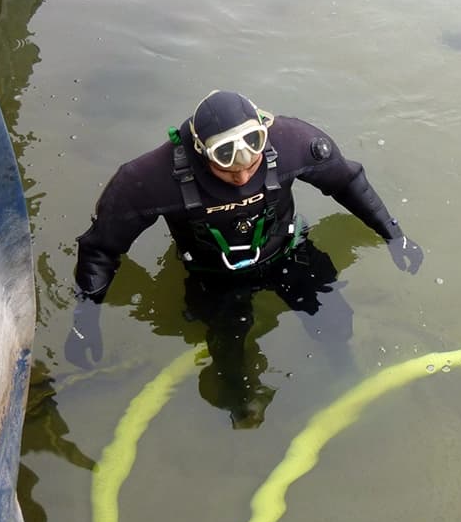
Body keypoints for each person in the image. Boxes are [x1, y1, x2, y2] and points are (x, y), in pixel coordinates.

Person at [65, 90, 423, 421]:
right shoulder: (148, 179)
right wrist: (86, 318)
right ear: (201, 153)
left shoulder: (294, 143)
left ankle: (344, 371)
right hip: (212, 275)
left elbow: (347, 182)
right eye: (228, 168)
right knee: (229, 350)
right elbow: (101, 247)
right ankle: (240, 401)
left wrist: (394, 235)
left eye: (251, 167)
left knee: (333, 318)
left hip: (285, 251)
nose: (241, 175)